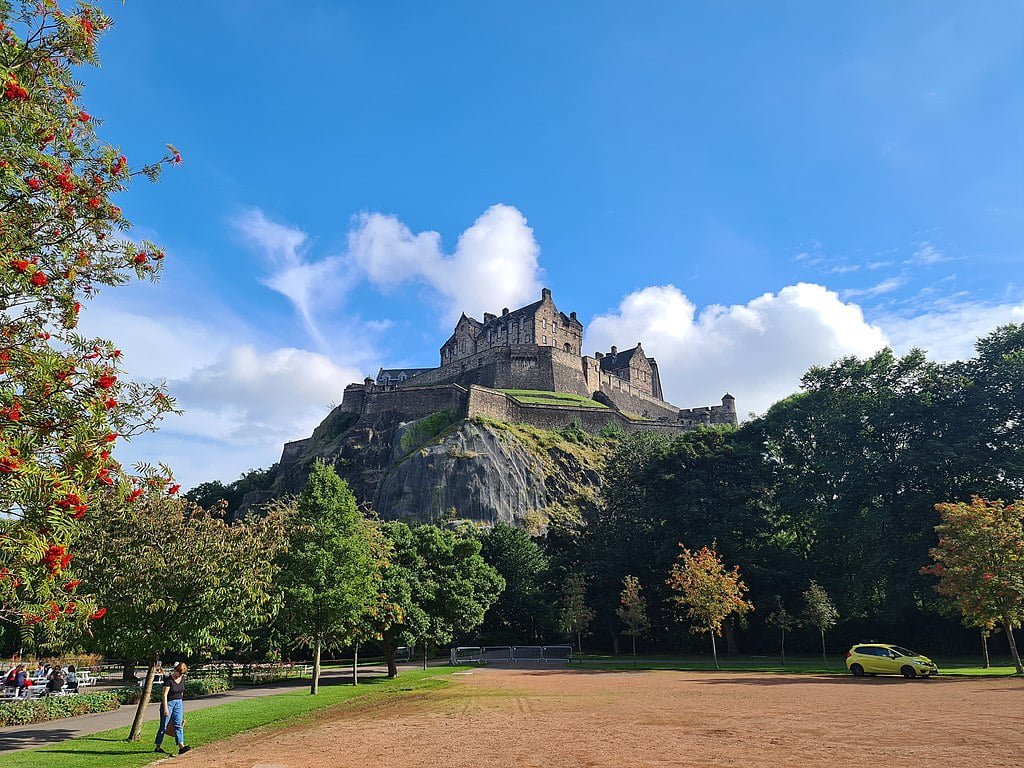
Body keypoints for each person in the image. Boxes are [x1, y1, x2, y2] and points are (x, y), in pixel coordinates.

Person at [155, 662, 191, 756]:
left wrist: (180, 704)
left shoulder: (182, 678)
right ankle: (158, 746)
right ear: (176, 671)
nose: (181, 675)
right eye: (180, 673)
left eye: (182, 673)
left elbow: (181, 692)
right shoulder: (169, 680)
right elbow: (164, 694)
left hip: (178, 703)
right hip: (169, 703)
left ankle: (181, 746)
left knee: (178, 724)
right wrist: (166, 708)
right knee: (164, 726)